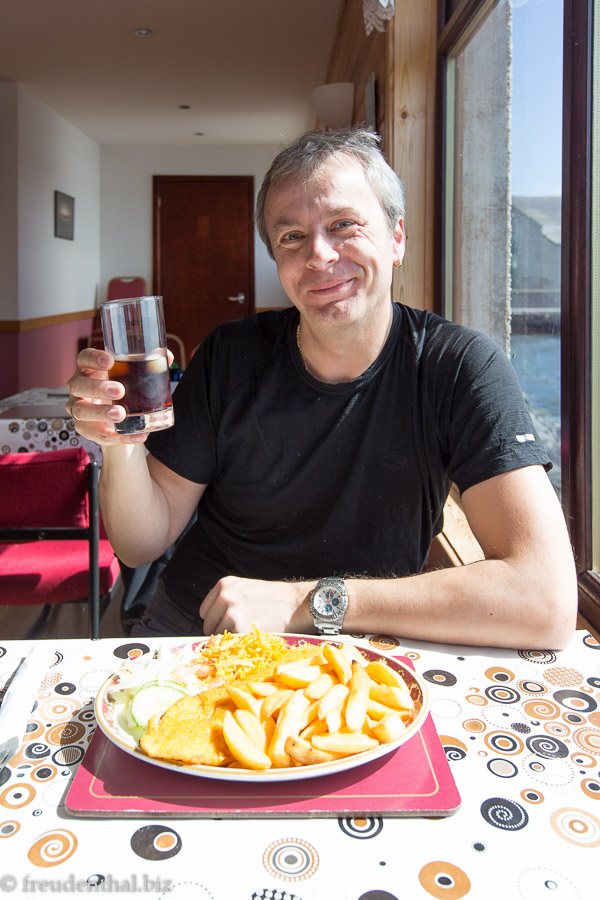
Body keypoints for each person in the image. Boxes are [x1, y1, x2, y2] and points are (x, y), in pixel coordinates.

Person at [66, 128, 577, 649]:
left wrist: (305, 602)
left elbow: (546, 601)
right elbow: (139, 543)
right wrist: (119, 444)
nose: (319, 255)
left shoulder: (460, 367)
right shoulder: (230, 355)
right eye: (291, 237)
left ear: (397, 238)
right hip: (198, 627)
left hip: (362, 645)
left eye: (343, 225)